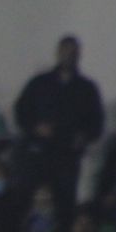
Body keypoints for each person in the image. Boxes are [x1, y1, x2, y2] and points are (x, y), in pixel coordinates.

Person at [14, 35, 105, 211]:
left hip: (68, 158)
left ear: (79, 55)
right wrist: (36, 128)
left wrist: (84, 136)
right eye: (65, 52)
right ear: (58, 53)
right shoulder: (39, 83)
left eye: (73, 53)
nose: (69, 56)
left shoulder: (87, 88)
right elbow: (21, 112)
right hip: (38, 156)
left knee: (64, 207)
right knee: (29, 204)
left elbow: (97, 123)